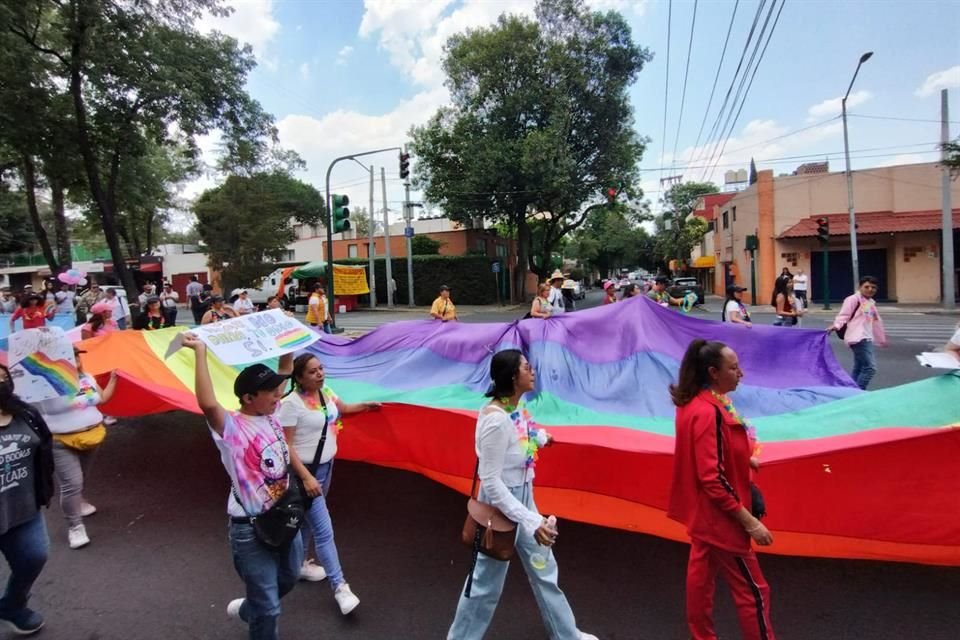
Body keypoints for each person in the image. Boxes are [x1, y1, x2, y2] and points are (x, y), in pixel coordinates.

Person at [447, 349, 597, 640]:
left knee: (545, 571)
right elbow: (490, 481)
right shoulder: (495, 419)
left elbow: (522, 432)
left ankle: (567, 634)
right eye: (527, 368)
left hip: (524, 498)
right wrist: (530, 520)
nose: (533, 371)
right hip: (501, 508)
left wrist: (540, 437)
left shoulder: (514, 408)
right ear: (514, 377)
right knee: (484, 586)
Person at [180, 334, 300, 640]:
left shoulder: (270, 411)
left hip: (285, 516)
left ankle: (251, 607)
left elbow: (285, 368)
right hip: (250, 526)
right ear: (248, 397)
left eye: (278, 390)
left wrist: (287, 335)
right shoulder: (231, 428)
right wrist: (200, 352)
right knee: (270, 609)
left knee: (288, 578)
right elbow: (207, 403)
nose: (278, 395)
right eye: (271, 391)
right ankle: (259, 610)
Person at [667, 339, 775, 640]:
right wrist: (750, 522)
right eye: (734, 367)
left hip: (704, 516)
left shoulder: (697, 403)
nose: (740, 373)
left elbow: (711, 455)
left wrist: (744, 459)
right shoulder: (709, 412)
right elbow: (711, 477)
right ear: (714, 372)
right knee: (754, 592)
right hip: (720, 520)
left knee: (701, 582)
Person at [279, 354, 379, 614]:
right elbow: (286, 446)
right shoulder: (290, 404)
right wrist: (306, 477)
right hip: (306, 473)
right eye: (312, 372)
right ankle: (340, 587)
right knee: (324, 530)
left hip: (326, 467)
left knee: (307, 521)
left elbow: (342, 408)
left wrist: (366, 406)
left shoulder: (326, 393)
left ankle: (299, 564)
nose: (320, 374)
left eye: (321, 369)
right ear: (299, 378)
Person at [35, 350, 118, 550]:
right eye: (71, 358)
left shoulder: (87, 377)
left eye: (78, 357)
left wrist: (114, 379)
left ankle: (78, 501)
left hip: (92, 436)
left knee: (80, 477)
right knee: (71, 483)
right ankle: (75, 526)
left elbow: (103, 398)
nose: (77, 361)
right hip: (60, 440)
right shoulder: (43, 385)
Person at [0, 363, 55, 636]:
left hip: (23, 509)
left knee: (35, 556)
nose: (1, 383)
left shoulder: (26, 414)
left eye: (3, 378)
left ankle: (12, 605)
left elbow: (42, 447)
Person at [827, 276, 887, 390]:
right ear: (860, 287)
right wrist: (836, 325)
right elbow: (844, 315)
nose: (870, 289)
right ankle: (858, 393)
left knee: (859, 367)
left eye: (873, 287)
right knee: (870, 368)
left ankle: (850, 391)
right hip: (858, 337)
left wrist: (880, 338)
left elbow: (872, 320)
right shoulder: (853, 299)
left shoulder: (869, 302)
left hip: (867, 337)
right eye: (867, 287)